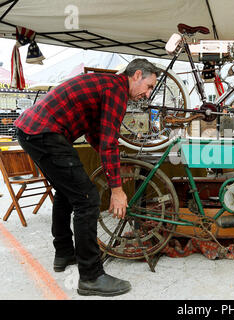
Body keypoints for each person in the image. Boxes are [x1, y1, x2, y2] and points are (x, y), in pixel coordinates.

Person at [14, 58, 160, 296]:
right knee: (87, 198)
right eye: (149, 86)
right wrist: (117, 189)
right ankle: (91, 277)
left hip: (34, 130)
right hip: (44, 132)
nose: (147, 94)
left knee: (67, 191)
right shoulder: (117, 90)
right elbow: (109, 142)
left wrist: (112, 170)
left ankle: (64, 254)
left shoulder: (108, 85)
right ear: (137, 75)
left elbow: (98, 136)